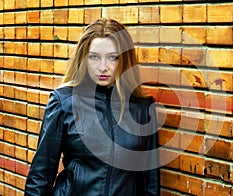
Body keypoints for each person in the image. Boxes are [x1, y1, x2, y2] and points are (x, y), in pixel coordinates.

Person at [25, 18, 160, 196]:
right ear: (84, 59)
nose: (102, 67)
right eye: (94, 57)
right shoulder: (64, 103)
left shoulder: (143, 109)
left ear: (124, 60)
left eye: (112, 57)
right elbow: (41, 174)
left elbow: (149, 182)